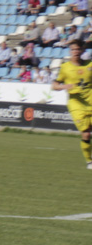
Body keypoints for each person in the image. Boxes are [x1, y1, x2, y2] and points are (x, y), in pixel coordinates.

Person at [52, 41, 92, 169]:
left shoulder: (89, 65)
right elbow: (54, 85)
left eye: (78, 49)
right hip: (76, 104)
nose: (75, 52)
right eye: (73, 49)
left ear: (82, 51)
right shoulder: (65, 67)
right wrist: (64, 86)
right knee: (86, 133)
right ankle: (89, 161)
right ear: (70, 51)